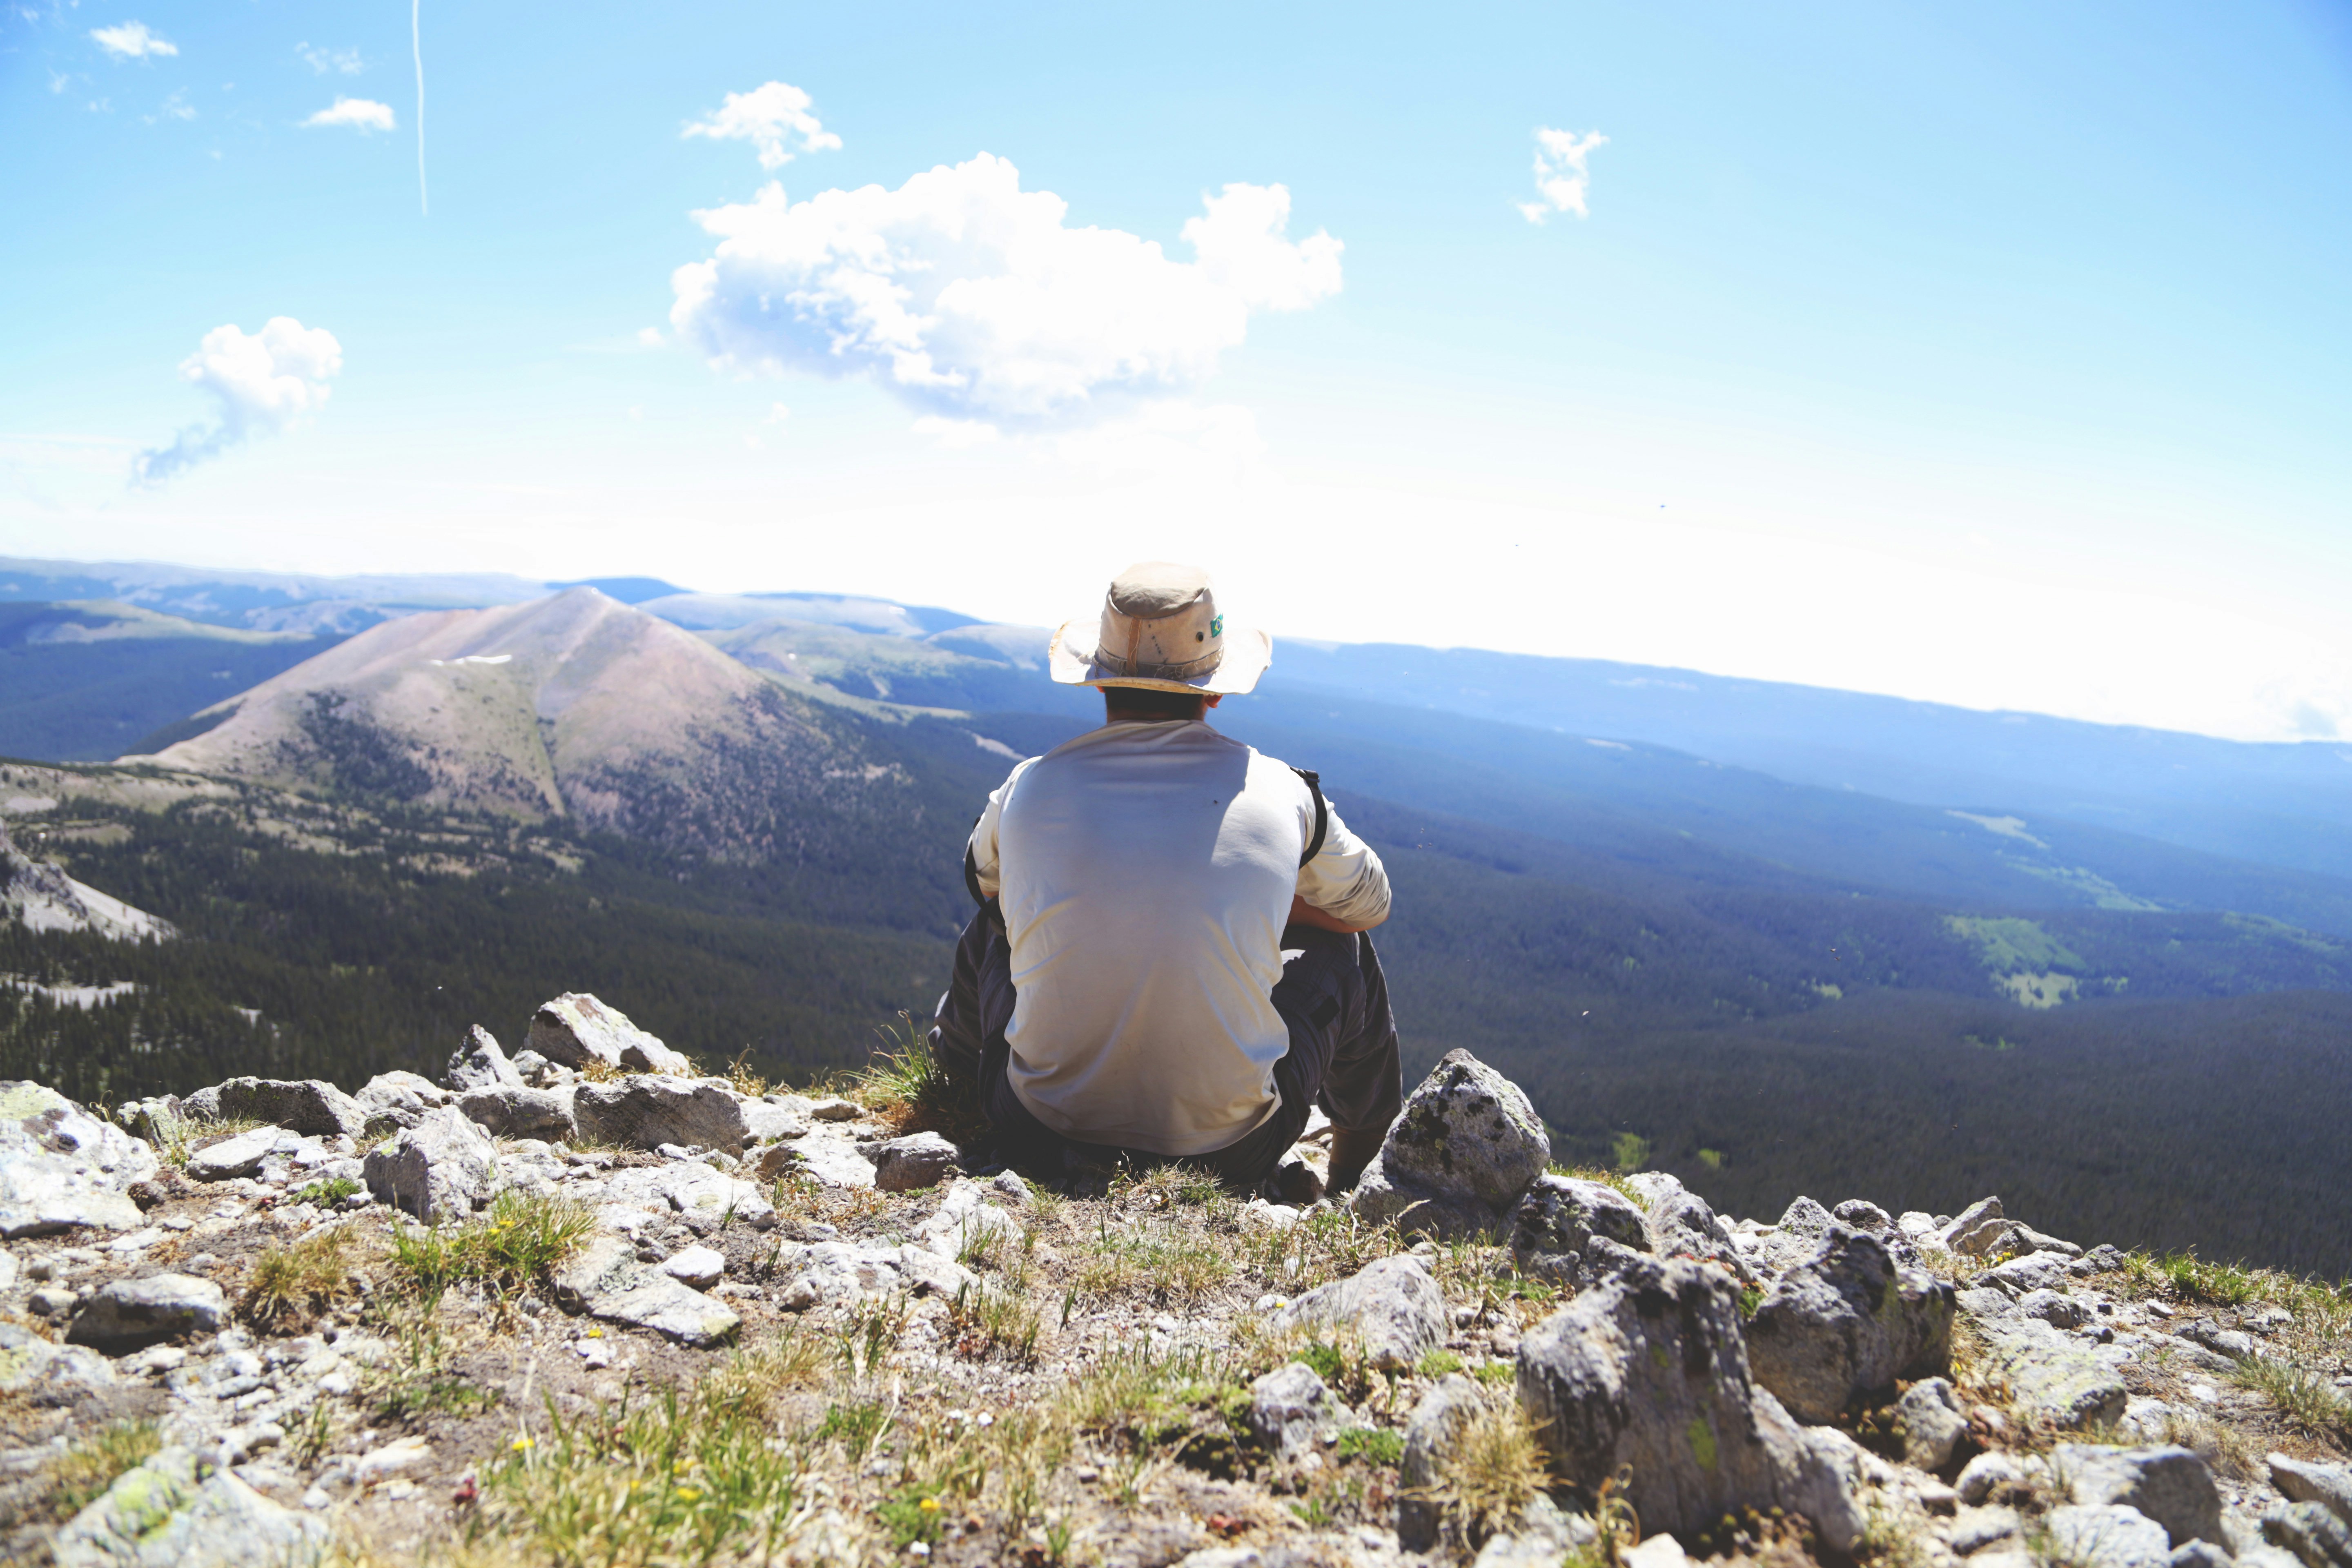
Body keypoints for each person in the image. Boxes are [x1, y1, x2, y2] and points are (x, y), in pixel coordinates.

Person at [929, 561, 1401, 1199]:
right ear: (1216, 690)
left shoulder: (1028, 784)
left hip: (1033, 1125)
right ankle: (1360, 1179)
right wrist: (1264, 901)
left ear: (1100, 681)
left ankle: (953, 1094)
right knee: (1348, 952)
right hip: (1230, 1151)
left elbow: (986, 886)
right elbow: (1369, 906)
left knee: (993, 923)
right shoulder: (1286, 793)